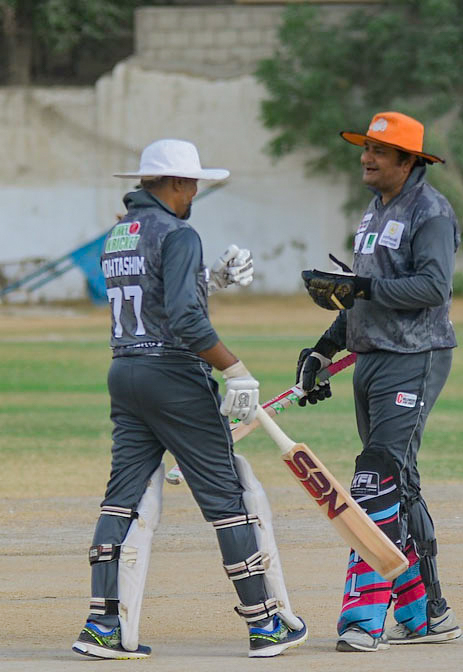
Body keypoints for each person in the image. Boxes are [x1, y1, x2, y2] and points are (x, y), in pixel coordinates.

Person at [72, 138, 307, 659]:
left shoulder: (118, 234)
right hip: (175, 376)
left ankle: (102, 625)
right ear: (176, 183)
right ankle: (265, 623)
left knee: (122, 496)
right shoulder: (180, 234)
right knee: (227, 496)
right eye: (193, 184)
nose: (195, 193)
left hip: (125, 371)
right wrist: (236, 370)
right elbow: (184, 319)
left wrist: (207, 279)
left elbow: (154, 292)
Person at [297, 112, 462, 652]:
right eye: (365, 148)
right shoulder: (373, 211)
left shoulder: (431, 211)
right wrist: (323, 349)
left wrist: (365, 287)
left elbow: (433, 287)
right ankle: (425, 614)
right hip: (370, 358)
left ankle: (363, 620)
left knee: (376, 478)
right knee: (397, 481)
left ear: (408, 161)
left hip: (414, 357)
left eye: (379, 151)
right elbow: (359, 295)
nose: (366, 158)